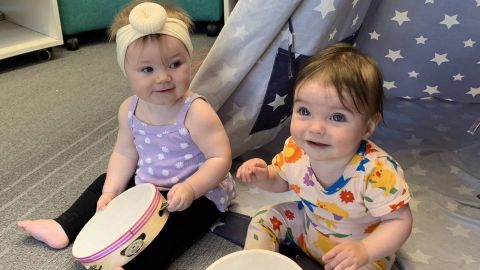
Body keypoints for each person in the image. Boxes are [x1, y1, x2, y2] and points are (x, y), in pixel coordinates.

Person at [17, 1, 236, 269]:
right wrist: (111, 192)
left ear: (189, 61)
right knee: (103, 183)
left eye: (175, 64)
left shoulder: (196, 112)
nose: (164, 78)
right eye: (147, 69)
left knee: (171, 232)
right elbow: (124, 153)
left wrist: (192, 188)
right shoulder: (129, 109)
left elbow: (220, 157)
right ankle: (63, 226)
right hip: (149, 183)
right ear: (127, 73)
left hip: (198, 193)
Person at [236, 43, 412, 270]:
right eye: (305, 112)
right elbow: (281, 180)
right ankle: (258, 264)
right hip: (309, 228)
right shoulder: (295, 149)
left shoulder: (378, 172)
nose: (316, 128)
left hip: (358, 251)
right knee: (264, 217)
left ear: (368, 127)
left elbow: (400, 222)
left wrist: (365, 251)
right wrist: (261, 175)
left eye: (337, 117)